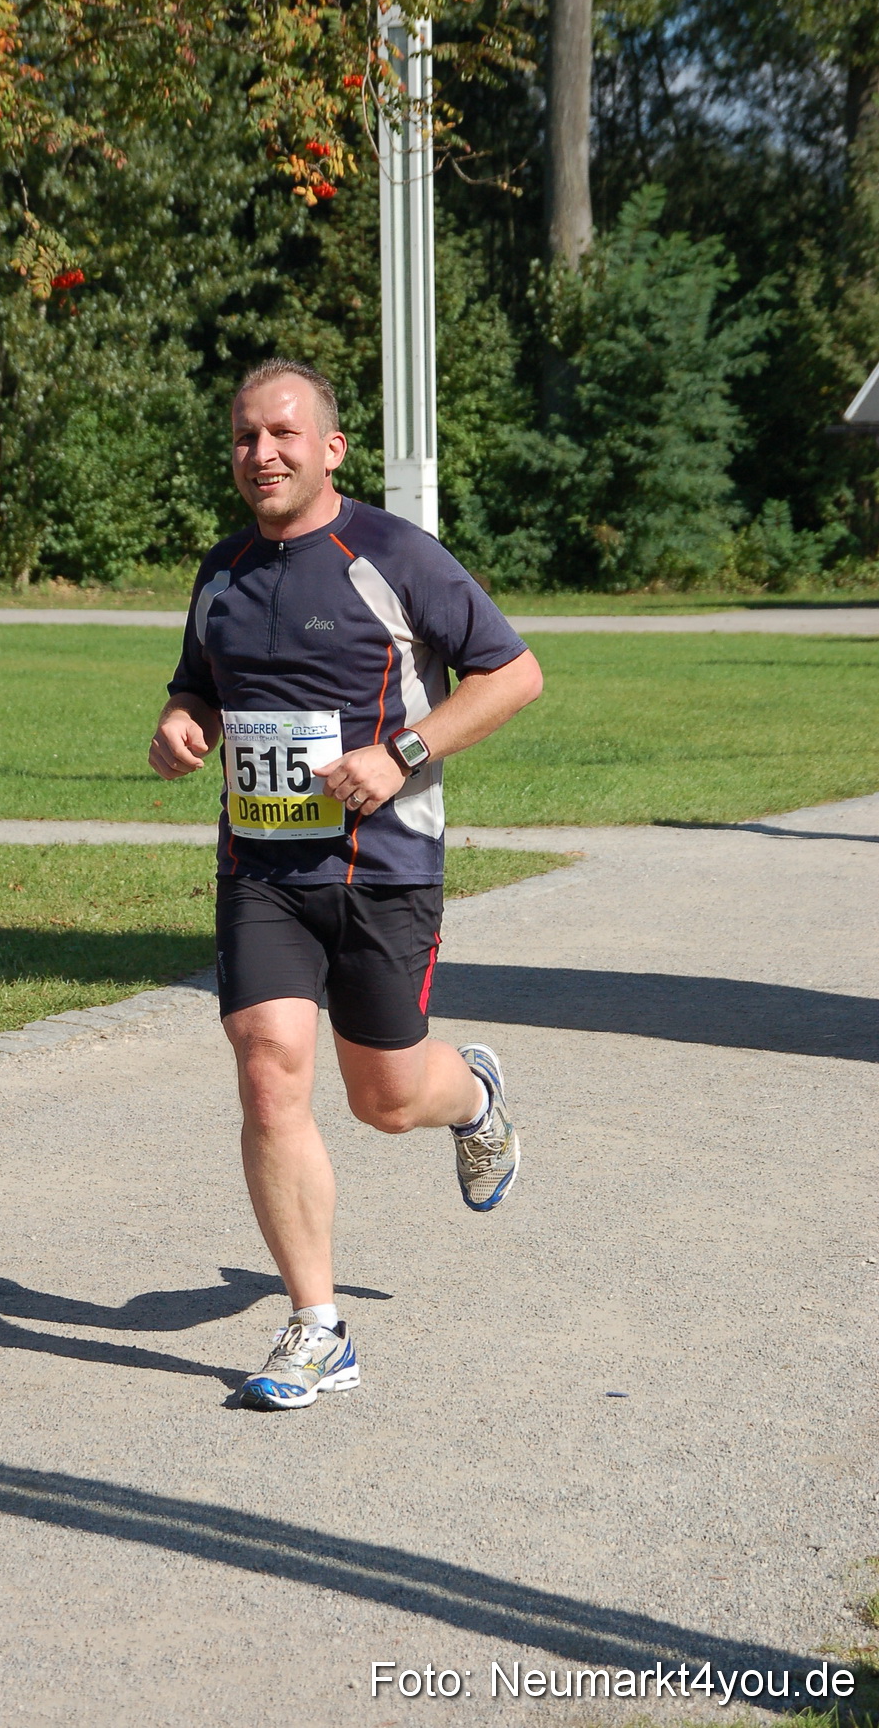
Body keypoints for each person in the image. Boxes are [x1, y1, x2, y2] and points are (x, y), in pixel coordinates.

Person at [149, 358, 543, 1411]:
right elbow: (200, 685)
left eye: (282, 434)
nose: (260, 454)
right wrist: (183, 722)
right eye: (242, 437)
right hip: (262, 868)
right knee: (270, 1066)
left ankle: (473, 1097)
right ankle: (316, 1327)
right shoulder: (222, 572)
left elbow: (514, 673)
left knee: (385, 1098)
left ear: (329, 448)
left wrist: (400, 756)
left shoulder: (394, 555)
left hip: (385, 867)